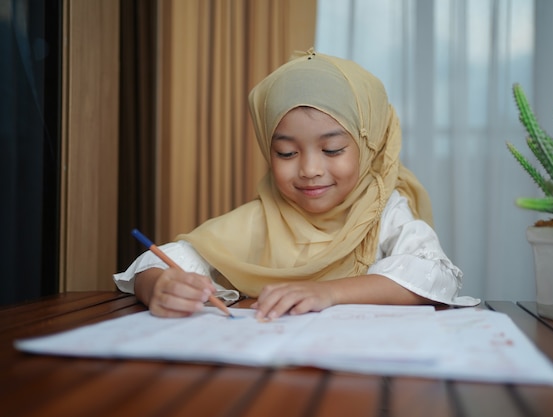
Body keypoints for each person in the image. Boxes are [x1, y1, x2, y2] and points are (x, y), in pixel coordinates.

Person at [113, 50, 480, 319]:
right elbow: (157, 262)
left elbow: (435, 275)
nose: (309, 169)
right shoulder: (261, 219)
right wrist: (158, 287)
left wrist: (328, 292)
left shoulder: (383, 211)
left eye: (332, 149)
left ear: (370, 146)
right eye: (287, 153)